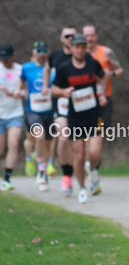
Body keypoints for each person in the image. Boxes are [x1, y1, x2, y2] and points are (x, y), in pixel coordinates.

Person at [50, 33, 107, 203]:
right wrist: (63, 92)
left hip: (94, 115)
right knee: (79, 155)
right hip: (75, 117)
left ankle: (93, 168)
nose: (81, 50)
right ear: (72, 48)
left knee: (95, 153)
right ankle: (82, 188)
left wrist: (102, 93)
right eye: (77, 47)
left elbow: (104, 76)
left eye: (83, 47)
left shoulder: (93, 63)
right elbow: (53, 89)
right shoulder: (64, 68)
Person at [82, 24, 123, 194]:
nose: (89, 39)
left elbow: (119, 69)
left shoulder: (105, 52)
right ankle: (90, 173)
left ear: (96, 36)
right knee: (84, 140)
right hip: (83, 103)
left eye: (92, 35)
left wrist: (110, 74)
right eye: (86, 36)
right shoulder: (78, 55)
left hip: (103, 102)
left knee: (98, 141)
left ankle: (93, 165)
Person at [43, 27, 77, 196]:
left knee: (75, 142)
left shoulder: (81, 56)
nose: (70, 38)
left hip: (79, 105)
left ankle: (83, 173)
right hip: (60, 103)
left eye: (73, 35)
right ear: (61, 38)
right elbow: (47, 69)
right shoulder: (55, 56)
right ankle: (66, 175)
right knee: (63, 139)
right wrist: (45, 86)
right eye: (67, 36)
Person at [20, 41, 55, 190]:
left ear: (47, 53)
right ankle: (39, 167)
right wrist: (21, 93)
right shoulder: (26, 68)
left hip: (49, 110)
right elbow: (20, 86)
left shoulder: (52, 69)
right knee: (38, 136)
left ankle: (43, 172)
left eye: (44, 51)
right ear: (33, 52)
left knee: (47, 143)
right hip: (32, 110)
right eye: (38, 50)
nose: (41, 54)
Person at [0, 44, 24, 191]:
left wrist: (19, 92)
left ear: (13, 56)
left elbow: (28, 89)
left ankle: (7, 178)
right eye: (2, 59)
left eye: (7, 58)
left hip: (15, 113)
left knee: (13, 144)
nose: (4, 61)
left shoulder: (20, 70)